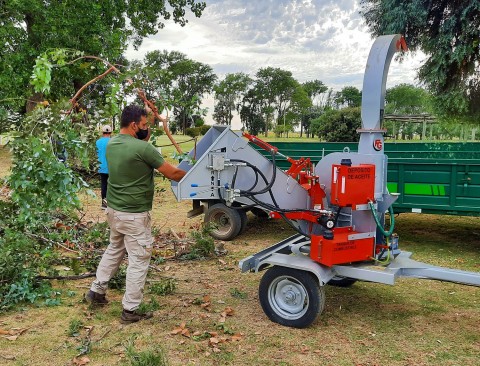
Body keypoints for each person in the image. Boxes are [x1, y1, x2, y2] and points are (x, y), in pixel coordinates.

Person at [85, 105, 186, 324]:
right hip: (134, 216)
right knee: (139, 260)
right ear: (133, 125)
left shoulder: (112, 145)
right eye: (144, 125)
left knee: (114, 249)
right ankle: (130, 310)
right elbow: (173, 173)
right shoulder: (143, 149)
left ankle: (96, 291)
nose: (146, 129)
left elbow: (136, 151)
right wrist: (196, 174)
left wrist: (145, 136)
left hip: (113, 210)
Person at [96, 125, 112, 209]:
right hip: (112, 167)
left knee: (103, 184)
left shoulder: (98, 142)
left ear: (102, 133)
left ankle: (104, 203)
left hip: (101, 166)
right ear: (110, 133)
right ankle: (111, 203)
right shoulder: (113, 141)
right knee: (111, 185)